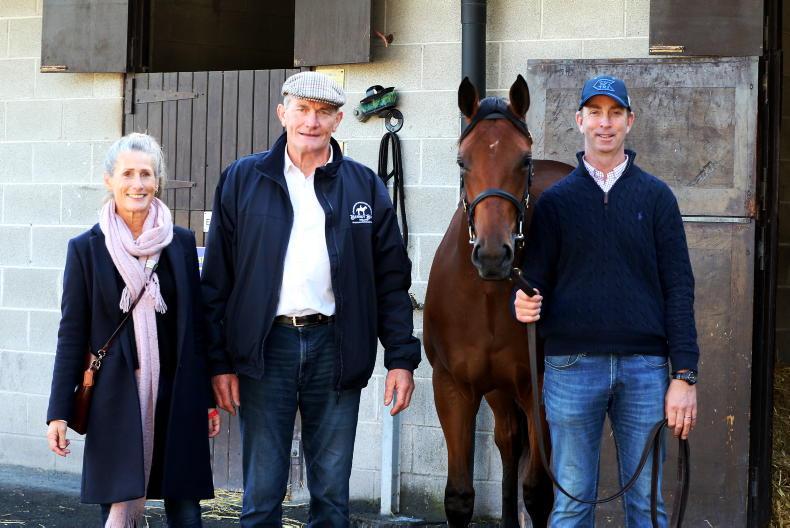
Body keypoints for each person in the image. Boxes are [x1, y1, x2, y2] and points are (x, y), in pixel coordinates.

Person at [201, 71, 421, 527]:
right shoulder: (243, 179)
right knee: (262, 494)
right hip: (267, 349)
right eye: (302, 109)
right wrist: (218, 362)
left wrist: (401, 359)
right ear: (283, 114)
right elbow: (216, 281)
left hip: (336, 347)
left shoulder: (364, 186)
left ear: (338, 121)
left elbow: (391, 282)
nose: (311, 121)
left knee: (332, 497)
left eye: (323, 112)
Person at [513, 75, 699, 527]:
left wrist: (684, 375)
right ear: (579, 121)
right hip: (571, 368)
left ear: (630, 121)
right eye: (595, 113)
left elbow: (679, 289)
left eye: (615, 113)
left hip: (645, 369)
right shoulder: (555, 203)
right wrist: (520, 302)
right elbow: (533, 282)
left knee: (647, 505)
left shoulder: (657, 198)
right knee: (572, 503)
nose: (605, 123)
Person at [46, 133, 219, 527]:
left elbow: (196, 330)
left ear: (158, 181)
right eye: (127, 174)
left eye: (146, 174)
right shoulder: (86, 249)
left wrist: (206, 398)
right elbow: (71, 334)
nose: (137, 184)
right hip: (114, 400)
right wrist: (58, 412)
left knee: (186, 511)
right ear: (109, 180)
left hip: (177, 396)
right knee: (117, 503)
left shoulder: (180, 243)